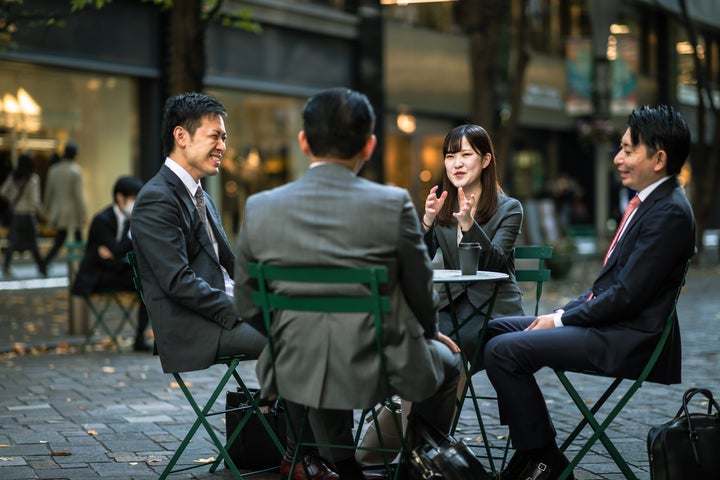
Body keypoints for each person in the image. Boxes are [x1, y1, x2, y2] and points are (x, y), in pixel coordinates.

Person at [234, 87, 462, 480]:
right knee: (451, 362)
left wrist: (293, 335)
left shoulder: (260, 208)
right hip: (377, 365)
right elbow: (420, 291)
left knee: (318, 357)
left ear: (304, 142)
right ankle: (419, 462)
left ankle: (340, 463)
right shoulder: (393, 204)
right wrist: (427, 332)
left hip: (295, 365)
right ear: (370, 145)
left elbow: (247, 304)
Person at [483, 105, 696, 480]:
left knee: (504, 350)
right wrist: (563, 312)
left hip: (628, 338)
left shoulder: (670, 213)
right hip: (612, 324)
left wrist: (560, 317)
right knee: (496, 330)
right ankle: (534, 451)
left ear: (659, 158)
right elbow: (608, 289)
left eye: (629, 150)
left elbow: (626, 296)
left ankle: (545, 458)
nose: (618, 158)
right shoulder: (650, 204)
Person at [129, 92, 267, 373]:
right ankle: (282, 412)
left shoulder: (202, 196)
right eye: (214, 136)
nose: (222, 146)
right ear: (181, 137)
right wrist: (242, 307)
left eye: (224, 138)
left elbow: (228, 268)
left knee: (312, 328)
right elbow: (178, 281)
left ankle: (277, 409)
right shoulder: (156, 199)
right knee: (297, 341)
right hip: (199, 328)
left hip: (228, 313)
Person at [421, 124, 524, 371]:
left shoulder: (509, 209)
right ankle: (405, 411)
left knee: (444, 348)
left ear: (486, 159)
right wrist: (426, 223)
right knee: (416, 339)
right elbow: (418, 263)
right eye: (450, 156)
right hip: (449, 306)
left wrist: (469, 225)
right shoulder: (442, 207)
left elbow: (493, 262)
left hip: (494, 310)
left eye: (466, 155)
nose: (457, 163)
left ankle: (417, 410)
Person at [71, 176, 151, 352]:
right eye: (133, 199)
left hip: (118, 271)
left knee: (149, 282)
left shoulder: (131, 220)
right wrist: (127, 242)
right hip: (97, 277)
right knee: (145, 280)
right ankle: (140, 338)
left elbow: (122, 252)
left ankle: (140, 337)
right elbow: (117, 250)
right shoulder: (102, 220)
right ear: (120, 198)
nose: (136, 203)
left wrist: (116, 254)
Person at [42, 140, 88, 269]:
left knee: (59, 240)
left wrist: (46, 209)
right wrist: (83, 213)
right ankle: (84, 265)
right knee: (78, 238)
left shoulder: (54, 169)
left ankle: (45, 263)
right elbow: (78, 195)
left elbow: (48, 191)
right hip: (73, 211)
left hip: (58, 211)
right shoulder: (75, 170)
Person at [1, 153, 47, 277]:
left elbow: (3, 191)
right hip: (28, 215)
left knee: (12, 243)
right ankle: (42, 268)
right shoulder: (33, 179)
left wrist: (12, 200)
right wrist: (42, 213)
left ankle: (6, 267)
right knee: (33, 243)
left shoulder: (13, 177)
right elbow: (35, 201)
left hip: (16, 214)